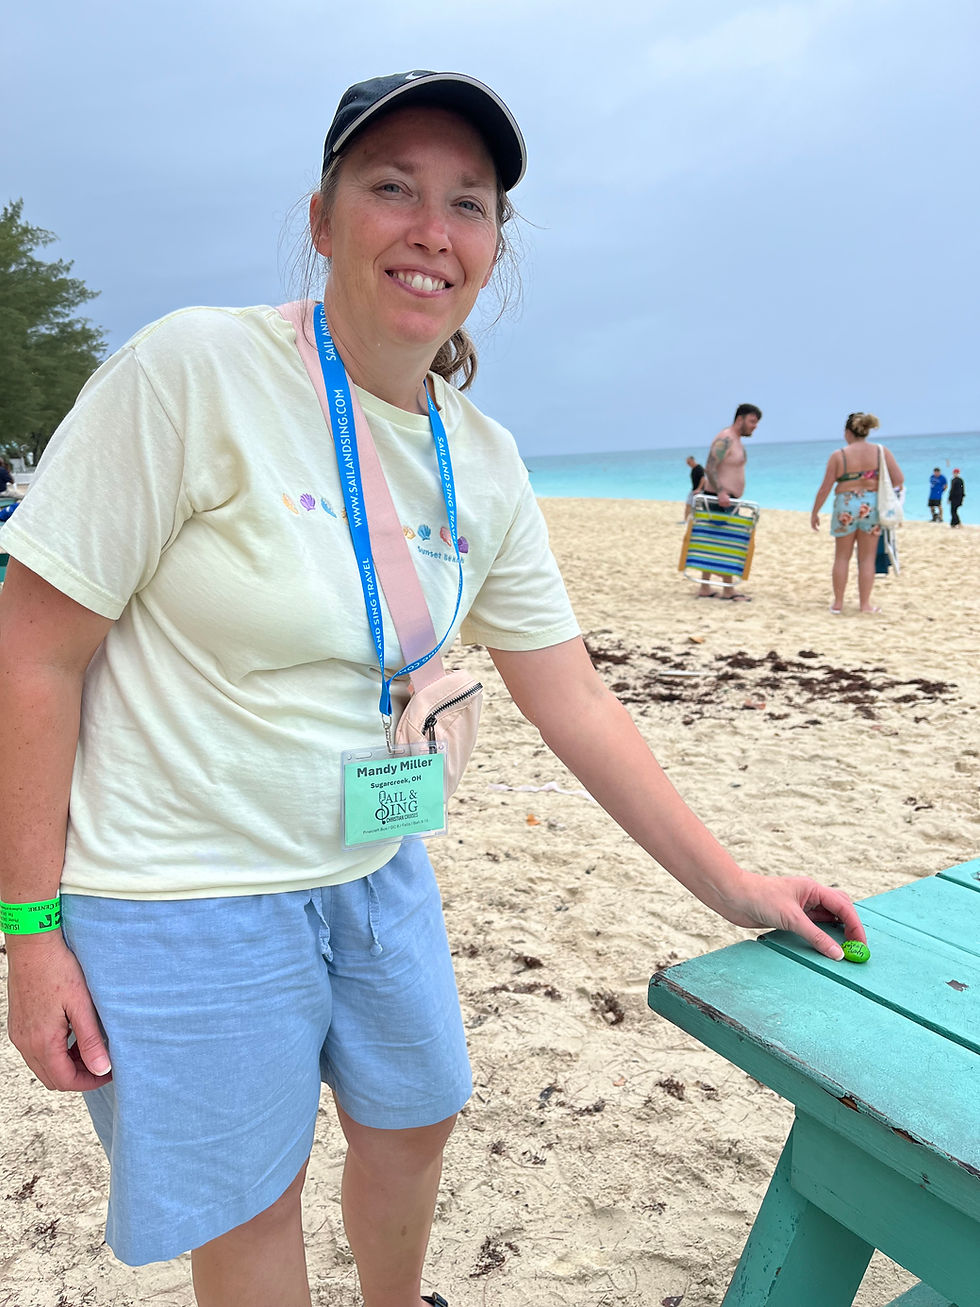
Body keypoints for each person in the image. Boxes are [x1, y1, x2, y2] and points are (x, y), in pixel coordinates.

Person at [0, 71, 865, 1307]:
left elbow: (571, 697)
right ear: (321, 217)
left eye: (467, 202)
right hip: (177, 887)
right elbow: (30, 651)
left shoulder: (483, 459)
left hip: (371, 860)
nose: (431, 228)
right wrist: (29, 936)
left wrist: (731, 883)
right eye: (391, 186)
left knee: (415, 1118)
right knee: (252, 1205)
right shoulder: (192, 371)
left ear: (493, 248)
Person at [810, 412, 904, 614]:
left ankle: (838, 604)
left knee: (842, 557)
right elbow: (899, 479)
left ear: (847, 432)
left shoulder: (839, 455)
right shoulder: (881, 452)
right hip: (871, 506)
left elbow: (825, 487)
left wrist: (815, 512)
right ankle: (865, 605)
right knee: (866, 559)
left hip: (845, 504)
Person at [696, 403, 761, 600]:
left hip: (724, 498)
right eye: (752, 421)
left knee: (713, 540)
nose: (754, 426)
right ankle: (728, 590)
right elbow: (710, 466)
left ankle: (705, 587)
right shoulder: (726, 438)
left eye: (756, 423)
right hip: (720, 498)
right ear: (739, 419)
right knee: (724, 543)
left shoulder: (736, 440)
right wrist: (722, 492)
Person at [683, 453, 705, 522]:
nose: (688, 464)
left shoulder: (699, 468)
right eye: (687, 463)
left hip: (699, 491)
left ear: (693, 460)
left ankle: (694, 520)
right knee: (688, 504)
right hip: (693, 490)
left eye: (689, 462)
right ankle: (685, 520)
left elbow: (703, 479)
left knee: (694, 506)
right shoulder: (693, 469)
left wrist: (699, 489)